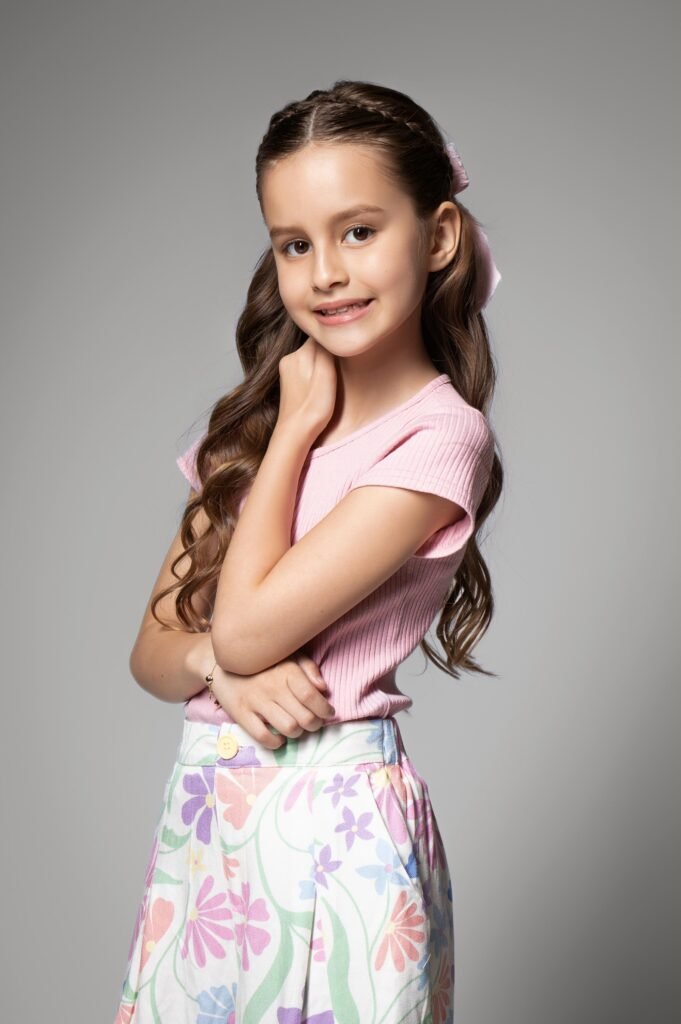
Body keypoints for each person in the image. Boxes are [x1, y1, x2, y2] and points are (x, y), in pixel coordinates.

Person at [113, 78, 503, 1024]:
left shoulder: (438, 439)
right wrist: (217, 669)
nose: (325, 271)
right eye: (295, 244)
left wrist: (294, 433)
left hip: (338, 838)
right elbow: (155, 651)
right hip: (209, 829)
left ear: (439, 236)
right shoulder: (244, 432)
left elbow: (246, 631)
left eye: (358, 231)